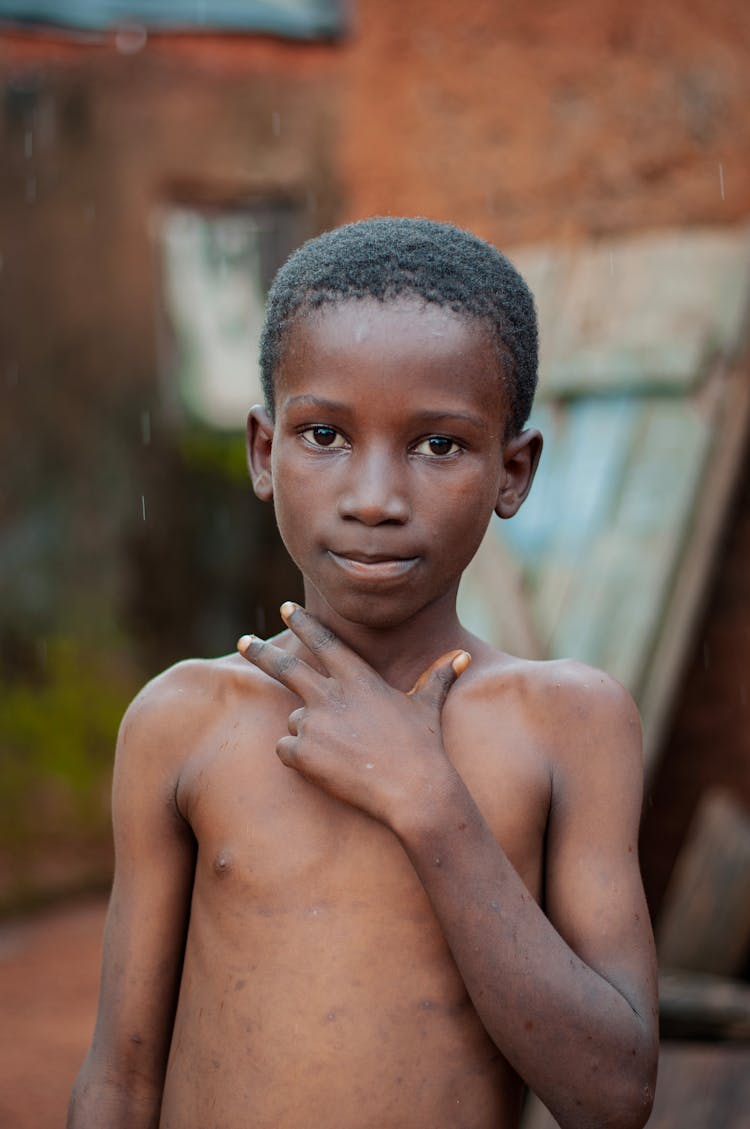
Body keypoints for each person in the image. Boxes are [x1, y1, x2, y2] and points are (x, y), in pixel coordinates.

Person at [68, 217, 658, 1129]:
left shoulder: (569, 723)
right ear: (266, 453)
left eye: (439, 445)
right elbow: (120, 1082)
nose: (376, 497)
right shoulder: (183, 721)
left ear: (514, 470)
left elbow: (614, 1095)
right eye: (325, 435)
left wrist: (430, 802)